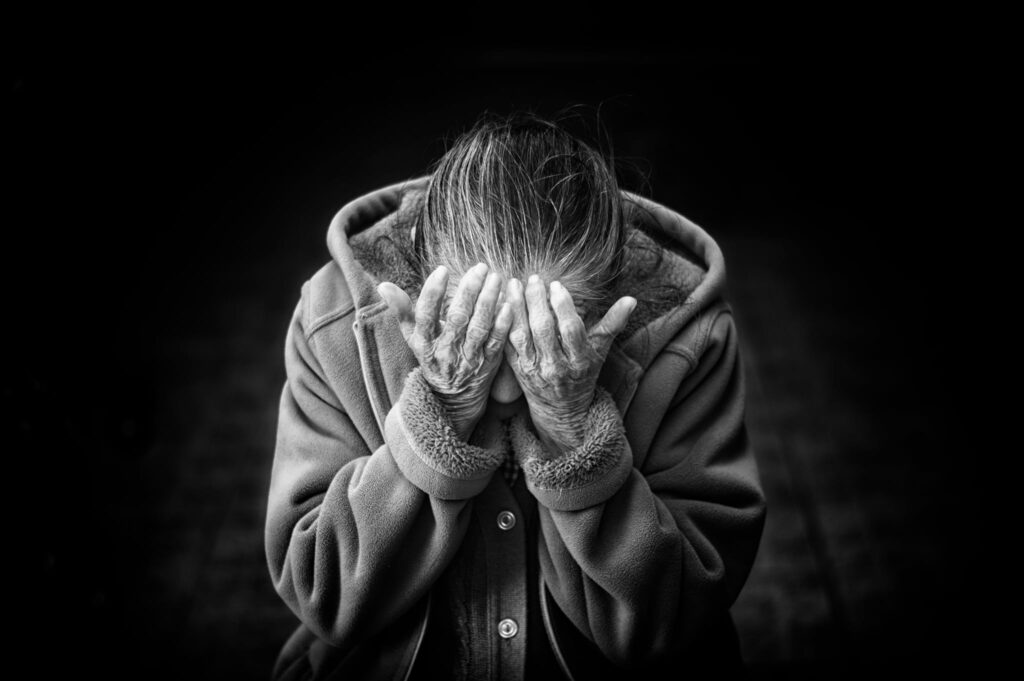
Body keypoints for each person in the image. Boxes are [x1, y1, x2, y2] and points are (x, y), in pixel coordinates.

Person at [264, 112, 767, 680]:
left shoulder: (692, 337)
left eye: (548, 335)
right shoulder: (332, 320)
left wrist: (574, 430)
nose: (505, 386)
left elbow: (676, 619)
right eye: (475, 333)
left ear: (614, 299)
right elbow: (321, 593)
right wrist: (440, 411)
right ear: (416, 269)